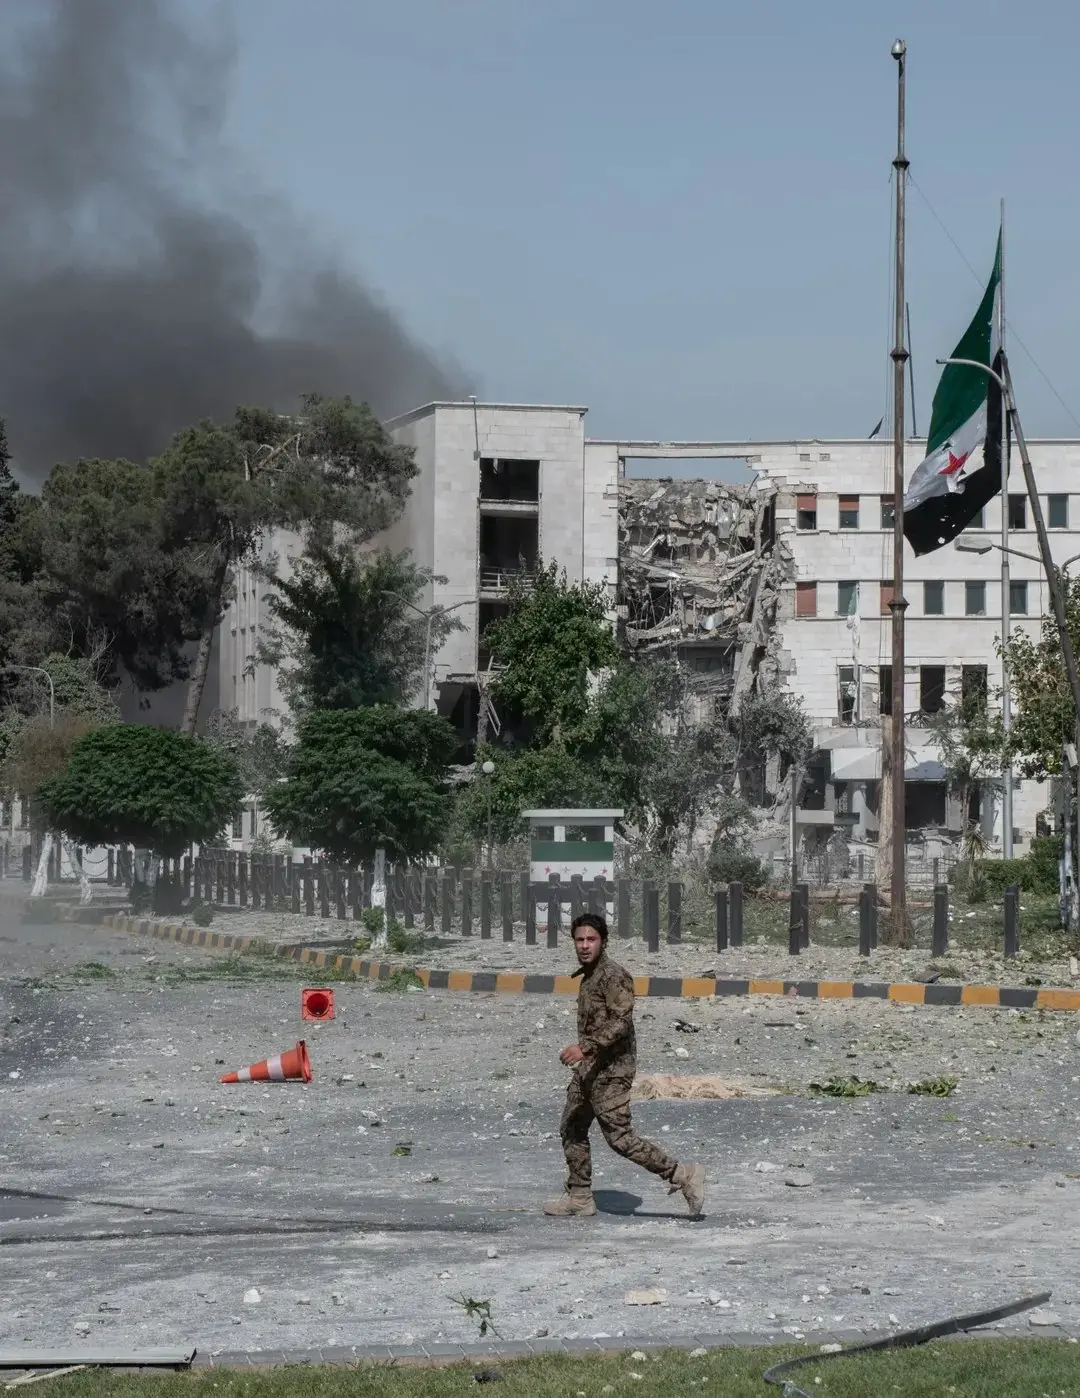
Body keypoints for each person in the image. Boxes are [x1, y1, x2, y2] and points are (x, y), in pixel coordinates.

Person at [543, 911, 706, 1219]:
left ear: (603, 942)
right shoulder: (590, 976)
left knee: (619, 1138)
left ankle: (683, 1175)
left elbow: (621, 1021)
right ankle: (579, 1197)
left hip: (613, 1070)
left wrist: (584, 1047)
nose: (584, 945)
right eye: (579, 939)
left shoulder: (614, 976)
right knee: (572, 1126)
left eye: (591, 939)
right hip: (590, 1067)